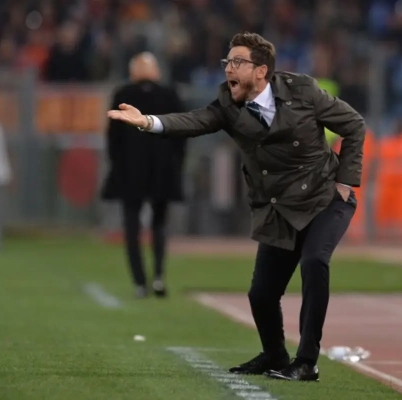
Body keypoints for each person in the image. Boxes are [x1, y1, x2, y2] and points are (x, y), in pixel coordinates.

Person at [107, 33, 365, 382]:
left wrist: (345, 182)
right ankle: (275, 355)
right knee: (261, 294)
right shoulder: (228, 103)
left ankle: (307, 361)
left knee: (314, 261)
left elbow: (354, 124)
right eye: (227, 62)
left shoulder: (303, 90)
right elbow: (195, 121)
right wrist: (149, 122)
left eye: (237, 62)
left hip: (323, 198)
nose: (229, 68)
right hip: (278, 207)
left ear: (261, 71)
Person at [100, 52, 187, 298]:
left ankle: (139, 283)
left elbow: (113, 138)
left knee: (132, 226)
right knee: (160, 224)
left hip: (130, 171)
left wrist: (117, 166)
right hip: (163, 170)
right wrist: (175, 166)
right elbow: (181, 134)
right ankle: (158, 277)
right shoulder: (169, 94)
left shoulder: (123, 95)